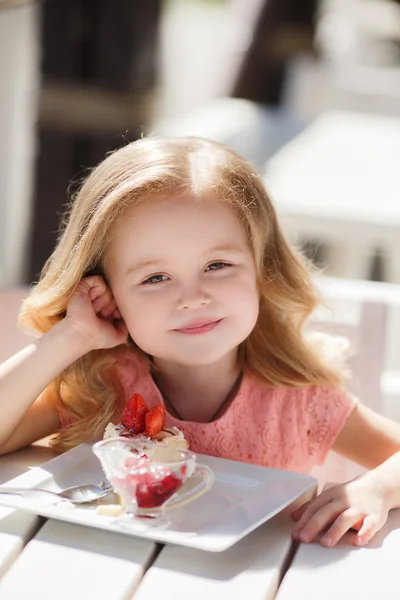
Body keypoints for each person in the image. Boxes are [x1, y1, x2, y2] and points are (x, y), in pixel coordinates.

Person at [1, 136, 400, 548]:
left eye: (217, 265)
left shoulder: (301, 399)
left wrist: (377, 490)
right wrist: (71, 336)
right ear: (109, 292)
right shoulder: (100, 386)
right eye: (155, 277)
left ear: (263, 269)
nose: (193, 298)